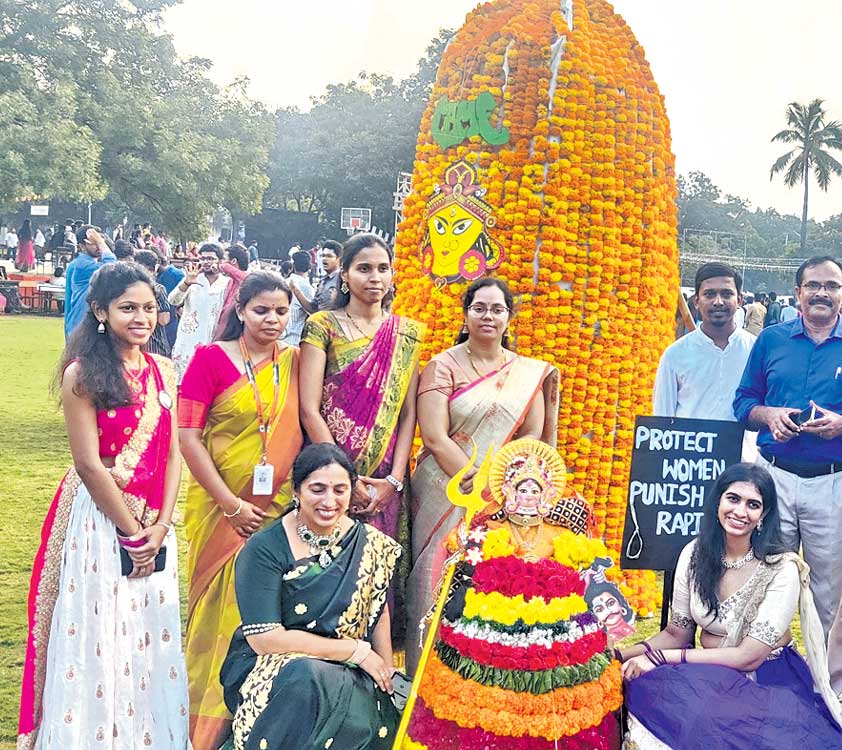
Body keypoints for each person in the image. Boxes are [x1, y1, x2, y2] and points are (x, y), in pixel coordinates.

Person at [19, 263, 188, 749]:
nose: (142, 318)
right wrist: (132, 533)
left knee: (145, 629)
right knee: (96, 628)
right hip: (98, 521)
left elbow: (173, 450)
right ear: (99, 312)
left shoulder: (164, 369)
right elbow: (90, 465)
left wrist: (160, 525)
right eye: (128, 308)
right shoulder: (82, 375)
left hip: (154, 519)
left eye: (149, 308)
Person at [622, 463, 842, 750]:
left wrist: (661, 658)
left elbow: (748, 657)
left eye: (753, 504)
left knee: (709, 728)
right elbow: (677, 633)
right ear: (717, 502)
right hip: (712, 674)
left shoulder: (781, 569)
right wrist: (617, 654)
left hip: (767, 680)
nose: (740, 511)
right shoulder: (694, 554)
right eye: (733, 499)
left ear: (763, 516)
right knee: (638, 685)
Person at [734, 255, 842, 696]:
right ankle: (762, 682)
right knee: (764, 582)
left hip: (834, 482)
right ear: (798, 291)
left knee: (828, 594)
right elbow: (744, 403)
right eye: (813, 285)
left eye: (832, 285)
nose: (822, 293)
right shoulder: (771, 341)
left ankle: (831, 692)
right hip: (774, 480)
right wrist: (770, 415)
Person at [401, 439, 620, 749]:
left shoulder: (563, 535)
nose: (529, 497)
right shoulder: (488, 530)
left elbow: (587, 577)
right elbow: (461, 568)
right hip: (492, 643)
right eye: (522, 490)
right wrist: (465, 544)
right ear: (509, 494)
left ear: (547, 496)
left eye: (535, 491)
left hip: (552, 648)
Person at [405, 277, 559, 668]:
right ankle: (423, 673)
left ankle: (479, 671)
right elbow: (435, 436)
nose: (488, 316)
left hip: (505, 493)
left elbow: (531, 434)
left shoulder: (527, 373)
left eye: (497, 309)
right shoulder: (442, 365)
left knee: (491, 576)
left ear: (509, 318)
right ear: (466, 313)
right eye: (480, 308)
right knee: (433, 573)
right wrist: (477, 481)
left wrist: (501, 484)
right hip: (444, 487)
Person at [178, 272, 303, 750]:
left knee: (265, 615)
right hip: (220, 510)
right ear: (240, 310)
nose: (272, 320)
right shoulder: (211, 359)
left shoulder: (292, 362)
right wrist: (230, 505)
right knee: (217, 616)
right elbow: (188, 437)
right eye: (261, 310)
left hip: (276, 512)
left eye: (280, 311)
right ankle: (204, 724)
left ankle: (254, 718)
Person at [219, 443, 403, 750]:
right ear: (296, 491)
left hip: (351, 667)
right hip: (277, 665)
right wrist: (354, 651)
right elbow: (265, 640)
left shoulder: (371, 544)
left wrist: (383, 667)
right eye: (317, 489)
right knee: (306, 678)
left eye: (340, 490)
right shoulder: (264, 549)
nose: (329, 501)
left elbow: (377, 608)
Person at [300, 233, 425, 543]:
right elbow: (308, 408)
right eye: (364, 268)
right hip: (328, 468)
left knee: (379, 567)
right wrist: (344, 477)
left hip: (385, 473)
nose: (375, 278)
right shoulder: (323, 325)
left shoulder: (405, 332)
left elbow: (408, 412)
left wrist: (394, 480)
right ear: (344, 274)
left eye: (383, 269)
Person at [654, 261, 756, 421]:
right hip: (689, 446)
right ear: (696, 301)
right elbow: (662, 417)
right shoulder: (675, 354)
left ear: (740, 300)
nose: (718, 301)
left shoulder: (756, 350)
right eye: (709, 294)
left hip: (745, 446)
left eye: (727, 294)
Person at [169, 243, 231, 377]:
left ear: (220, 261)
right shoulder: (192, 279)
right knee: (182, 384)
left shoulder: (227, 283)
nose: (206, 262)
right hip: (187, 342)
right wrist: (186, 283)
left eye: (210, 258)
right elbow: (173, 300)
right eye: (202, 259)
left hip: (214, 340)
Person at [62, 224, 117, 338]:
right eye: (93, 243)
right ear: (81, 246)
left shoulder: (77, 263)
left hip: (78, 321)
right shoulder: (82, 264)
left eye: (100, 242)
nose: (98, 246)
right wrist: (101, 242)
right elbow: (112, 266)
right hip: (82, 323)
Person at [133, 250, 176, 356]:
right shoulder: (158, 289)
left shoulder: (126, 288)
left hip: (135, 345)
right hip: (154, 346)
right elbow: (164, 320)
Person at [283, 250, 314, 346]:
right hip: (294, 339)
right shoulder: (306, 287)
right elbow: (312, 311)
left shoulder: (285, 282)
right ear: (310, 267)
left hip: (281, 338)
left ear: (293, 266)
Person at [312, 240, 344, 312]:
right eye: (323, 256)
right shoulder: (322, 281)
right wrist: (296, 291)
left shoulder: (343, 279)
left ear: (338, 258)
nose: (324, 259)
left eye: (329, 256)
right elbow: (313, 309)